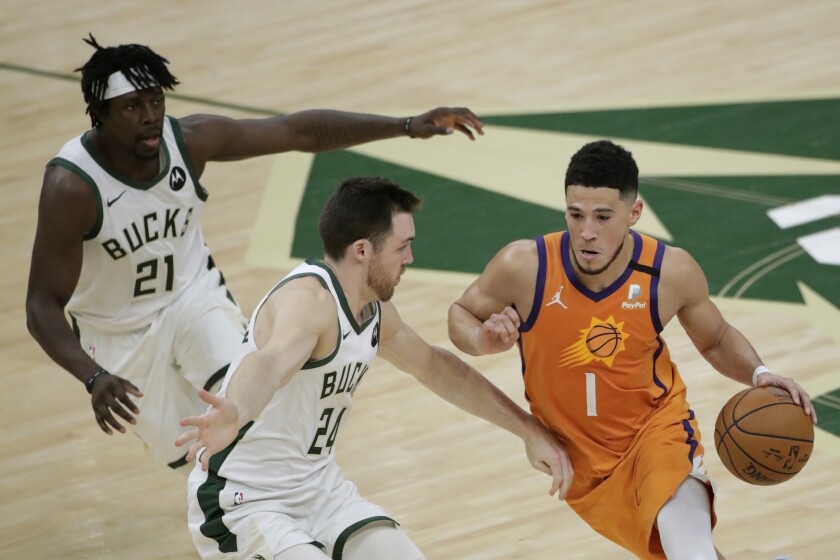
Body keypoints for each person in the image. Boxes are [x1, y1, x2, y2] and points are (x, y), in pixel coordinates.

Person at [24, 34, 485, 469]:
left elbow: (297, 132)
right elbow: (42, 306)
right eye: (131, 106)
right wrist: (91, 375)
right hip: (117, 331)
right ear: (100, 114)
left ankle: (287, 516)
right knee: (191, 455)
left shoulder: (189, 142)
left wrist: (405, 126)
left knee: (247, 412)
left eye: (156, 101)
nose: (150, 116)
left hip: (192, 298)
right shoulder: (72, 186)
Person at [447, 140, 818, 560]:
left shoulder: (669, 272)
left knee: (690, 554)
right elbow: (461, 313)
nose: (587, 231)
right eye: (576, 215)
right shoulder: (525, 266)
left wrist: (759, 373)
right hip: (582, 463)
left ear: (634, 213)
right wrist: (481, 340)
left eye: (603, 217)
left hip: (656, 434)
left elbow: (715, 339)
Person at [175, 176, 572, 560]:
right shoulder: (309, 302)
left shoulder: (374, 311)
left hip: (319, 490)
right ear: (363, 250)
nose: (410, 259)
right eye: (403, 247)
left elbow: (436, 368)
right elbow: (270, 362)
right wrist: (237, 409)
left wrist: (527, 430)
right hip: (245, 498)